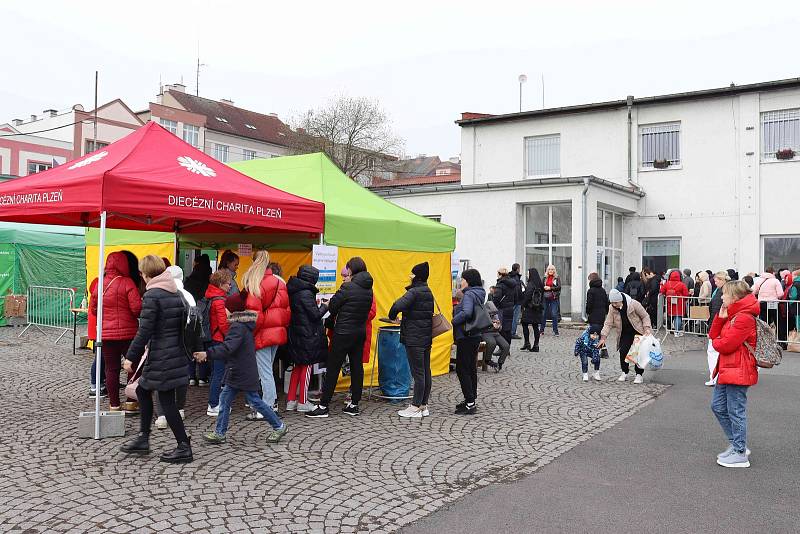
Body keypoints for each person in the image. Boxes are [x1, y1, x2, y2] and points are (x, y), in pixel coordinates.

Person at [120, 255, 194, 464]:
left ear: (145, 275)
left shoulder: (153, 295)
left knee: (167, 401)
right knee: (143, 390)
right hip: (172, 353)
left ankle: (183, 446)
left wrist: (130, 358)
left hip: (163, 355)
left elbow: (144, 331)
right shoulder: (174, 292)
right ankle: (144, 438)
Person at [197, 291, 288, 446]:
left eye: (226, 308)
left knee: (255, 401)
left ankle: (279, 426)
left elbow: (228, 348)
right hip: (238, 371)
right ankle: (220, 433)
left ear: (233, 310)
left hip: (241, 372)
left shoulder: (237, 327)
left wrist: (207, 353)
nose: (224, 310)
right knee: (225, 399)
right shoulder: (242, 325)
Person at [306, 257, 374, 418]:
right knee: (357, 368)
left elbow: (334, 305)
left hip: (343, 333)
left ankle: (323, 406)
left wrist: (328, 312)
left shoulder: (347, 287)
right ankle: (354, 404)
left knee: (333, 368)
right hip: (359, 333)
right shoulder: (369, 289)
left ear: (351, 270)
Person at [709, 280, 759, 468]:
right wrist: (720, 318)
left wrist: (717, 341)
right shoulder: (733, 314)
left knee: (735, 411)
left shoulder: (744, 317)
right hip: (729, 368)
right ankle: (738, 445)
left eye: (724, 294)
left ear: (735, 297)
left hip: (739, 369)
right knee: (718, 406)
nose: (721, 297)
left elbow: (724, 344)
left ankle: (740, 452)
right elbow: (714, 335)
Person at [90, 251, 143, 412]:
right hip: (128, 334)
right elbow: (136, 309)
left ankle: (114, 404)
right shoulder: (127, 283)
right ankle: (130, 401)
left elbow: (93, 309)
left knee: (111, 369)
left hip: (106, 334)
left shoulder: (100, 284)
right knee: (133, 366)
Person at [243, 250, 290, 418]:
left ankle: (269, 406)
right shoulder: (280, 282)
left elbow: (254, 315)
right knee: (267, 370)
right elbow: (286, 310)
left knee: (264, 372)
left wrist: (251, 333)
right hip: (277, 332)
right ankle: (269, 404)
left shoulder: (257, 282)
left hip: (263, 332)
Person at [389, 262, 434, 418]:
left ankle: (415, 406)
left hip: (414, 339)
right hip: (426, 338)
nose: (410, 276)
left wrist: (392, 316)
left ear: (418, 277)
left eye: (412, 274)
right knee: (426, 371)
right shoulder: (428, 291)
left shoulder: (414, 292)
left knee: (418, 373)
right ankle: (423, 405)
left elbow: (397, 305)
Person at [153, 266, 193, 429]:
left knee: (160, 378)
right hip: (184, 342)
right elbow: (194, 321)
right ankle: (180, 408)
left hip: (163, 342)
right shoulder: (189, 296)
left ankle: (162, 415)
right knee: (181, 376)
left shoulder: (160, 293)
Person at [286, 265, 328, 413]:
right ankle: (303, 401)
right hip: (307, 334)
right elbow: (315, 315)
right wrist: (325, 306)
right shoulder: (305, 293)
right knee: (307, 366)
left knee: (298, 366)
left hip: (297, 333)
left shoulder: (294, 289)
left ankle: (291, 400)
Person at [599, 289, 653, 384]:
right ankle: (624, 372)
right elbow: (608, 323)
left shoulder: (633, 304)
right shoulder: (612, 308)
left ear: (621, 300)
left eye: (616, 302)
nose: (614, 305)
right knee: (623, 351)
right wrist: (603, 337)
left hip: (637, 331)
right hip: (624, 332)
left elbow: (645, 316)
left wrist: (647, 328)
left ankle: (639, 374)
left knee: (637, 353)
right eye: (612, 303)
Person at [451, 269, 485, 415]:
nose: (461, 281)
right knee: (470, 368)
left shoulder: (469, 294)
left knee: (462, 369)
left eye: (463, 279)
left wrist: (453, 320)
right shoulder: (479, 292)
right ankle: (470, 399)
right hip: (475, 335)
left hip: (466, 336)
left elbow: (467, 313)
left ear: (469, 280)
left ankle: (470, 403)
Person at [202, 269, 232, 416]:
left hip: (212, 339)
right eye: (228, 284)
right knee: (218, 373)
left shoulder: (211, 296)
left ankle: (215, 403)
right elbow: (223, 324)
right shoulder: (219, 300)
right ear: (220, 284)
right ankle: (213, 404)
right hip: (219, 340)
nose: (230, 286)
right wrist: (231, 338)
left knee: (216, 372)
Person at [706, 271, 730, 386]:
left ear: (721, 280)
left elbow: (715, 313)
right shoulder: (727, 291)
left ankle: (714, 377)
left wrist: (710, 329)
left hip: (719, 326)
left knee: (713, 352)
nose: (714, 282)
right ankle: (719, 376)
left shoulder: (720, 293)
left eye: (716, 280)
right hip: (725, 326)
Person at [752, 267, 784, 341]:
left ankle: (764, 340)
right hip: (773, 303)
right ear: (772, 272)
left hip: (762, 303)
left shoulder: (759, 280)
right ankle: (781, 341)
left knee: (764, 322)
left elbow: (753, 291)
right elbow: (780, 294)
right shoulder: (775, 281)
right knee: (778, 322)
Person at [520, 268, 543, 352]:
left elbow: (527, 296)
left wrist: (523, 305)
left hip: (530, 308)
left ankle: (527, 342)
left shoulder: (530, 284)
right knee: (535, 326)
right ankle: (536, 345)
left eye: (528, 273)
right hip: (538, 308)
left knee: (524, 324)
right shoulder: (539, 284)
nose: (527, 275)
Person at [482, 299, 509, 370]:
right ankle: (488, 360)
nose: (493, 315)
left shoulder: (495, 315)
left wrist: (499, 326)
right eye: (491, 314)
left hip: (496, 333)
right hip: (486, 333)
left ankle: (500, 363)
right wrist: (491, 325)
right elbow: (481, 327)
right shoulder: (483, 315)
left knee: (506, 346)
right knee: (492, 343)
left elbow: (500, 327)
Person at [661, 270, 689, 337]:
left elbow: (662, 291)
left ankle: (669, 329)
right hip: (679, 303)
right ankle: (677, 331)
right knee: (678, 317)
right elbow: (686, 294)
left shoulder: (667, 283)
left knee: (670, 316)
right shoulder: (682, 284)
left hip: (670, 303)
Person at [493, 268, 517, 343]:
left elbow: (497, 297)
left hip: (502, 308)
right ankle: (507, 348)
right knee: (508, 329)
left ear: (500, 274)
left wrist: (495, 305)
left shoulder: (500, 283)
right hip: (510, 308)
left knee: (501, 328)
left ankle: (503, 348)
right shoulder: (513, 283)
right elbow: (516, 296)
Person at [540, 264, 562, 336]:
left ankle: (555, 331)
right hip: (545, 298)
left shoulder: (557, 278)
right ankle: (541, 330)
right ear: (547, 270)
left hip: (554, 298)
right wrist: (544, 287)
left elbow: (559, 287)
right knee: (543, 314)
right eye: (549, 269)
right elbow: (541, 286)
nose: (551, 271)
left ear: (554, 270)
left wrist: (550, 288)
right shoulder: (544, 278)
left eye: (552, 269)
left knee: (554, 314)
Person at [509, 263, 524, 340]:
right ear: (518, 269)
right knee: (515, 317)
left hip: (511, 300)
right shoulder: (516, 278)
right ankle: (512, 332)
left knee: (511, 317)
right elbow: (518, 290)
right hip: (517, 301)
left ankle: (510, 332)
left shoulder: (509, 276)